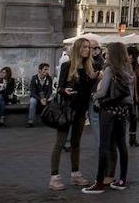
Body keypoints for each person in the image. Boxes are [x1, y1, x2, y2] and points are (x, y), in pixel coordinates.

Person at [83, 42, 133, 194]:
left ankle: (99, 183)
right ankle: (122, 179)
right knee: (121, 145)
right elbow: (129, 96)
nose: (106, 54)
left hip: (108, 110)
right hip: (122, 111)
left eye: (108, 52)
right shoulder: (127, 69)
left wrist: (94, 95)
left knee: (104, 146)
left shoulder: (110, 68)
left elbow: (103, 91)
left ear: (113, 53)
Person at [49, 37, 97, 191]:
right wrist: (64, 90)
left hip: (81, 111)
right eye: (84, 47)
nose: (87, 50)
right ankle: (54, 177)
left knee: (76, 143)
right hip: (67, 109)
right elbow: (59, 88)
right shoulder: (67, 66)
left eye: (88, 47)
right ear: (77, 49)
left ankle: (75, 174)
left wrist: (95, 80)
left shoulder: (89, 67)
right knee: (60, 143)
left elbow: (89, 90)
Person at [28, 63, 54, 127]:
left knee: (53, 101)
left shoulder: (49, 78)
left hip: (45, 97)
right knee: (32, 101)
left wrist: (46, 98)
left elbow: (49, 90)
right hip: (36, 97)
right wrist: (40, 99)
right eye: (45, 69)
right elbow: (33, 92)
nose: (47, 71)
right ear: (39, 70)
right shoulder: (34, 78)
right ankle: (30, 121)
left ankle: (50, 120)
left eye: (47, 69)